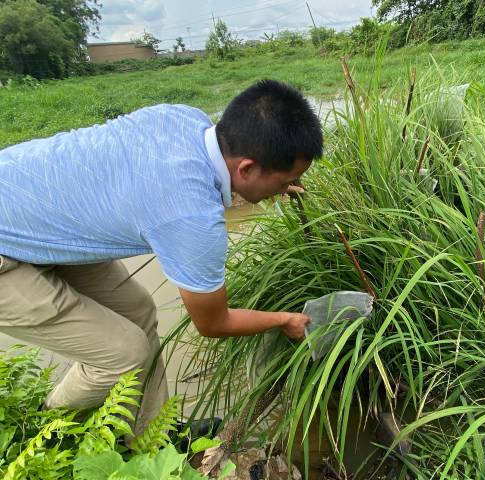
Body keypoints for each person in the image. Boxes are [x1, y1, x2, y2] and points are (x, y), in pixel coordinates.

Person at [0, 79, 323, 434]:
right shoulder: (191, 216)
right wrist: (283, 320)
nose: (287, 188)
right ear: (246, 168)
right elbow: (213, 323)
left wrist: (274, 184)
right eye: (284, 180)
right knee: (125, 355)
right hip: (6, 250)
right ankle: (43, 428)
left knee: (139, 312)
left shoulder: (186, 120)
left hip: (35, 215)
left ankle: (150, 435)